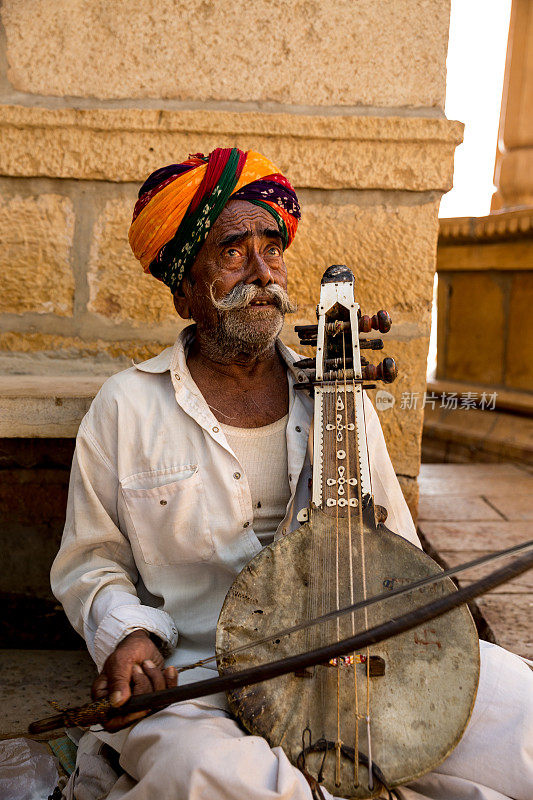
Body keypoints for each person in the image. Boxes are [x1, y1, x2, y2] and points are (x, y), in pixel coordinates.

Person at [51, 148, 532, 800]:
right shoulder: (127, 405)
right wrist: (128, 634)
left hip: (362, 659)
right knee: (206, 775)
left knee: (524, 724)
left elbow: (395, 546)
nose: (261, 272)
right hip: (203, 680)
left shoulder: (337, 394)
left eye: (271, 248)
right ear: (184, 286)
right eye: (230, 252)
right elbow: (91, 563)